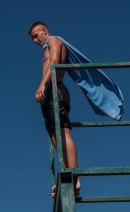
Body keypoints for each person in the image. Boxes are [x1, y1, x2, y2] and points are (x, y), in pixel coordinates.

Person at [28, 21, 81, 198]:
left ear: (44, 30)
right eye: (32, 38)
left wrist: (42, 84)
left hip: (55, 88)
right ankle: (65, 172)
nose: (35, 40)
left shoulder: (54, 40)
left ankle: (74, 177)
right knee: (53, 134)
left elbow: (55, 63)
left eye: (36, 35)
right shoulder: (45, 48)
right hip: (48, 93)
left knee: (63, 130)